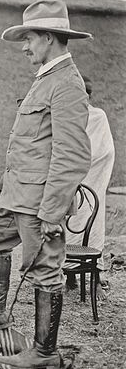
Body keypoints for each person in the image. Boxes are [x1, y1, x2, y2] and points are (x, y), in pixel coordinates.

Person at [0, 0, 92, 369]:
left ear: (48, 37)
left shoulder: (67, 84)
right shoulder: (45, 78)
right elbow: (33, 143)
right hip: (16, 195)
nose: (24, 47)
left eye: (28, 39)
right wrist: (2, 185)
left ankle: (45, 351)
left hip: (40, 202)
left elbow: (71, 155)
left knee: (44, 269)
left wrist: (52, 213)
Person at [65, 75, 115, 284]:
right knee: (66, 219)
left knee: (91, 221)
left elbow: (105, 151)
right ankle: (68, 275)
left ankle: (94, 274)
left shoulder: (98, 116)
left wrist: (83, 164)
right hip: (67, 179)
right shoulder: (64, 117)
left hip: (92, 180)